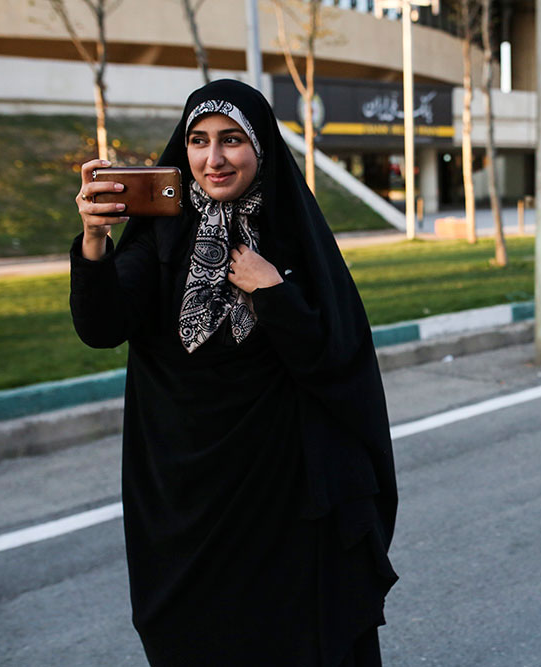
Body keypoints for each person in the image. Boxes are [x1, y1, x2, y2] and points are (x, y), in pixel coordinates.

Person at [70, 79, 397, 666]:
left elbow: (335, 359)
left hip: (284, 494)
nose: (213, 159)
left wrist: (275, 292)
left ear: (262, 146)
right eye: (198, 141)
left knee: (293, 637)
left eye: (231, 141)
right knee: (194, 634)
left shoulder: (294, 236)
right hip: (186, 492)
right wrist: (95, 242)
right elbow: (102, 327)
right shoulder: (163, 236)